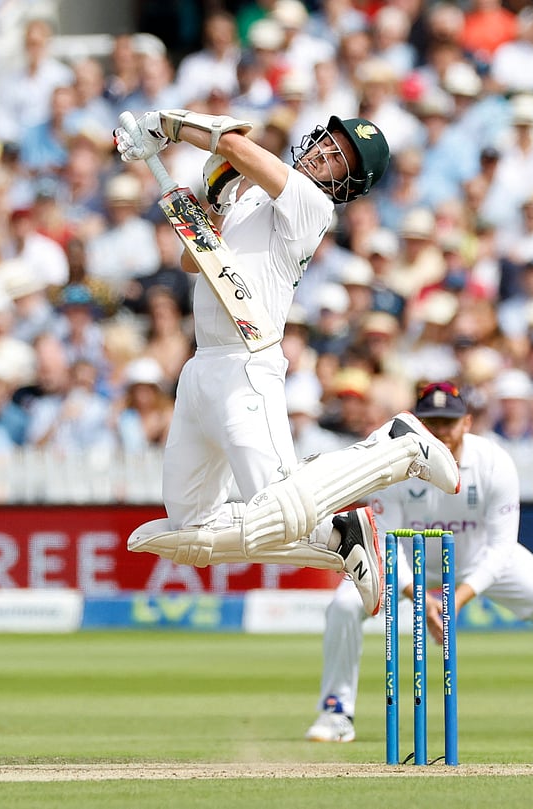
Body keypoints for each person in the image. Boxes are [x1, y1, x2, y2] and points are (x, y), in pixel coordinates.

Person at [115, 108, 460, 616]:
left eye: (340, 159)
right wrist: (209, 202)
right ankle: (343, 539)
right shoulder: (252, 194)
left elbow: (231, 143)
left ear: (348, 184)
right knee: (191, 531)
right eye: (328, 141)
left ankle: (394, 448)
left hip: (246, 368)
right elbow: (196, 259)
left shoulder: (310, 204)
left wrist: (164, 127)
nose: (325, 152)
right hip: (200, 368)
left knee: (279, 507)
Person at [305, 381, 533, 743]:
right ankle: (336, 713)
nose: (441, 431)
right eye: (432, 422)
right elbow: (384, 542)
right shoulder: (392, 466)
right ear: (418, 424)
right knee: (344, 605)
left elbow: (501, 547)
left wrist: (453, 600)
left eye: (449, 421)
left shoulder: (494, 462)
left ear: (467, 422)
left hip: (478, 558)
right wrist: (418, 595)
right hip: (406, 565)